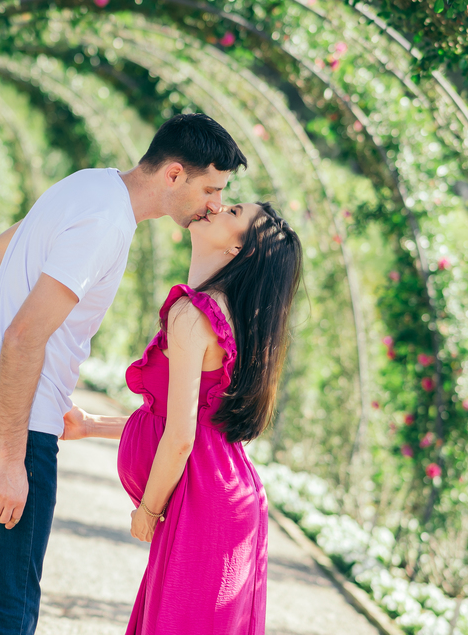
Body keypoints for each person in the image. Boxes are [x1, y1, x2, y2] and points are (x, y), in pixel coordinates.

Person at [0, 113, 248, 635]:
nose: (215, 205)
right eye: (212, 189)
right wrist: (13, 455)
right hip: (5, 432)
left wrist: (27, 366)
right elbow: (24, 337)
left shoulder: (86, 185)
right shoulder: (107, 225)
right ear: (174, 175)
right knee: (9, 615)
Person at [62, 200, 302, 635]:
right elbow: (194, 426)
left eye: (232, 213)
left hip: (205, 508)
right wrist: (94, 426)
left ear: (237, 250)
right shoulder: (229, 314)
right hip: (225, 497)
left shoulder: (193, 314)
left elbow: (180, 439)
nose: (216, 206)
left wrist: (148, 511)